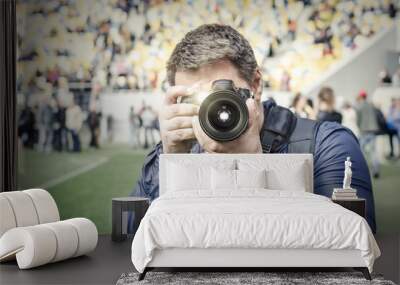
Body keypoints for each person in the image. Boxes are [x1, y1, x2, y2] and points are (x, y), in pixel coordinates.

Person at [130, 24, 376, 232]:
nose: (213, 110)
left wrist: (252, 166)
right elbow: (132, 241)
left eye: (223, 94)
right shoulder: (181, 149)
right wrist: (172, 163)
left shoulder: (328, 145)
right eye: (196, 100)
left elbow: (349, 242)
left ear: (256, 84)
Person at [356, 90, 380, 179]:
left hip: (364, 131)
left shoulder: (359, 106)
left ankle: (363, 171)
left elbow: (358, 120)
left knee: (362, 152)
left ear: (361, 97)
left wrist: (360, 127)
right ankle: (376, 170)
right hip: (373, 131)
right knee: (373, 151)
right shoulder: (371, 105)